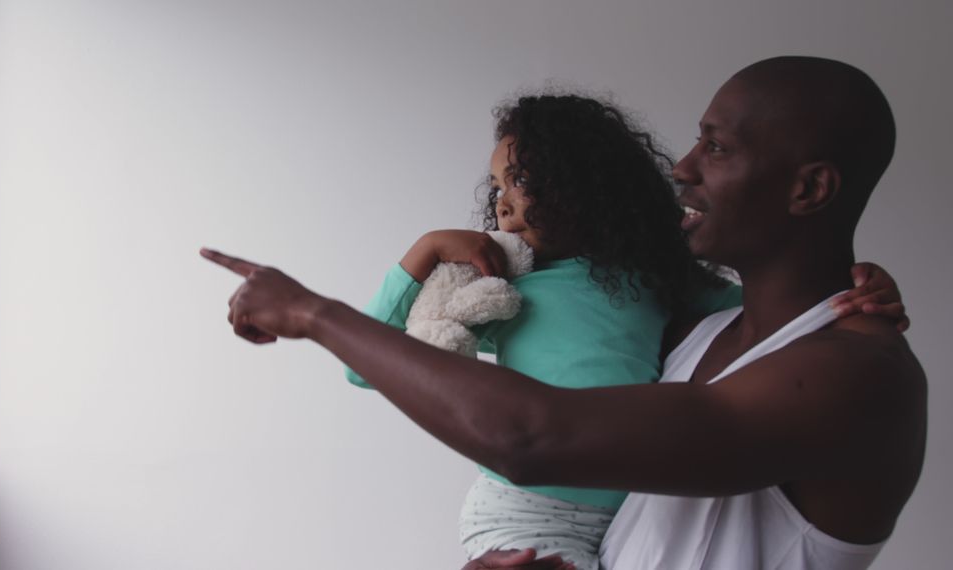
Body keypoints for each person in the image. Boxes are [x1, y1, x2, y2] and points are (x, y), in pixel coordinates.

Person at [202, 55, 926, 570]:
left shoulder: (859, 377)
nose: (682, 166)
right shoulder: (699, 330)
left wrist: (311, 312)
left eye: (717, 146)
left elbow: (534, 438)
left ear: (810, 190)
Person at [347, 94, 747, 569]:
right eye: (496, 187)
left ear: (583, 183)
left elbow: (772, 312)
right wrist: (425, 251)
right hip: (523, 511)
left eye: (519, 180)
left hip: (629, 515)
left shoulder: (657, 277)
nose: (501, 203)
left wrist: (852, 285)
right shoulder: (502, 289)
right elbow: (365, 366)